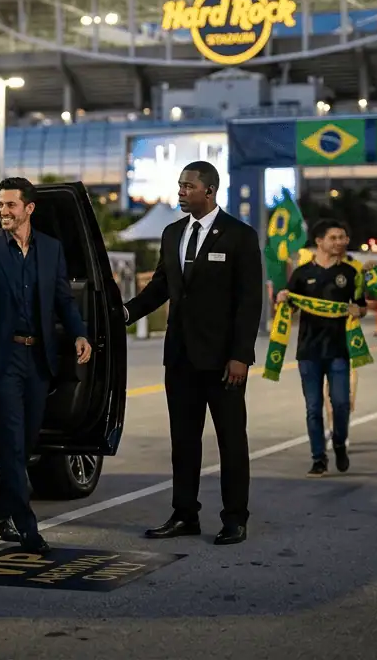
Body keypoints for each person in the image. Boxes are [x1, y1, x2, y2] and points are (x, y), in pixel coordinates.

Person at [122, 161, 263, 546]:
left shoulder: (239, 236)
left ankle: (235, 518)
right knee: (183, 441)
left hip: (223, 361)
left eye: (188, 186)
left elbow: (249, 302)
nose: (181, 191)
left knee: (231, 441)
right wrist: (125, 313)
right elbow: (160, 288)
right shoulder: (172, 234)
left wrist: (241, 356)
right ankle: (184, 514)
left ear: (210, 191)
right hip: (180, 358)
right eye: (180, 185)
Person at [0, 177, 92, 555]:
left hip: (39, 359)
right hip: (2, 361)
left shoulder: (51, 250)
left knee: (27, 442)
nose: (3, 211)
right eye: (0, 205)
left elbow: (65, 300)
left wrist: (79, 334)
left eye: (10, 205)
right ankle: (26, 526)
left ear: (28, 209)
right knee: (11, 445)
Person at [274, 219, 367, 478]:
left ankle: (339, 442)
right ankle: (318, 458)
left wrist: (357, 310)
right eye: (335, 238)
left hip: (339, 350)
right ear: (320, 242)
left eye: (343, 237)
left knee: (340, 404)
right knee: (313, 408)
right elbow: (289, 305)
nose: (341, 242)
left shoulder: (349, 274)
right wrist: (281, 298)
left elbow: (362, 305)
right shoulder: (302, 273)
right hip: (309, 352)